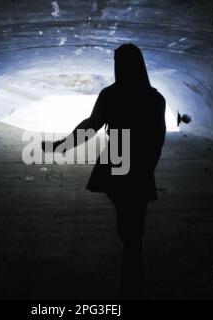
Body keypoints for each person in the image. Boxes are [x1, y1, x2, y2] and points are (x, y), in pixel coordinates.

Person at [42, 43, 166, 299]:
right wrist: (148, 168)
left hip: (117, 156)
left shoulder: (111, 94)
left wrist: (62, 146)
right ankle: (134, 275)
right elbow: (157, 137)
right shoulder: (155, 98)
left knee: (127, 221)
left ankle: (132, 279)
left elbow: (92, 124)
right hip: (139, 162)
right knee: (134, 222)